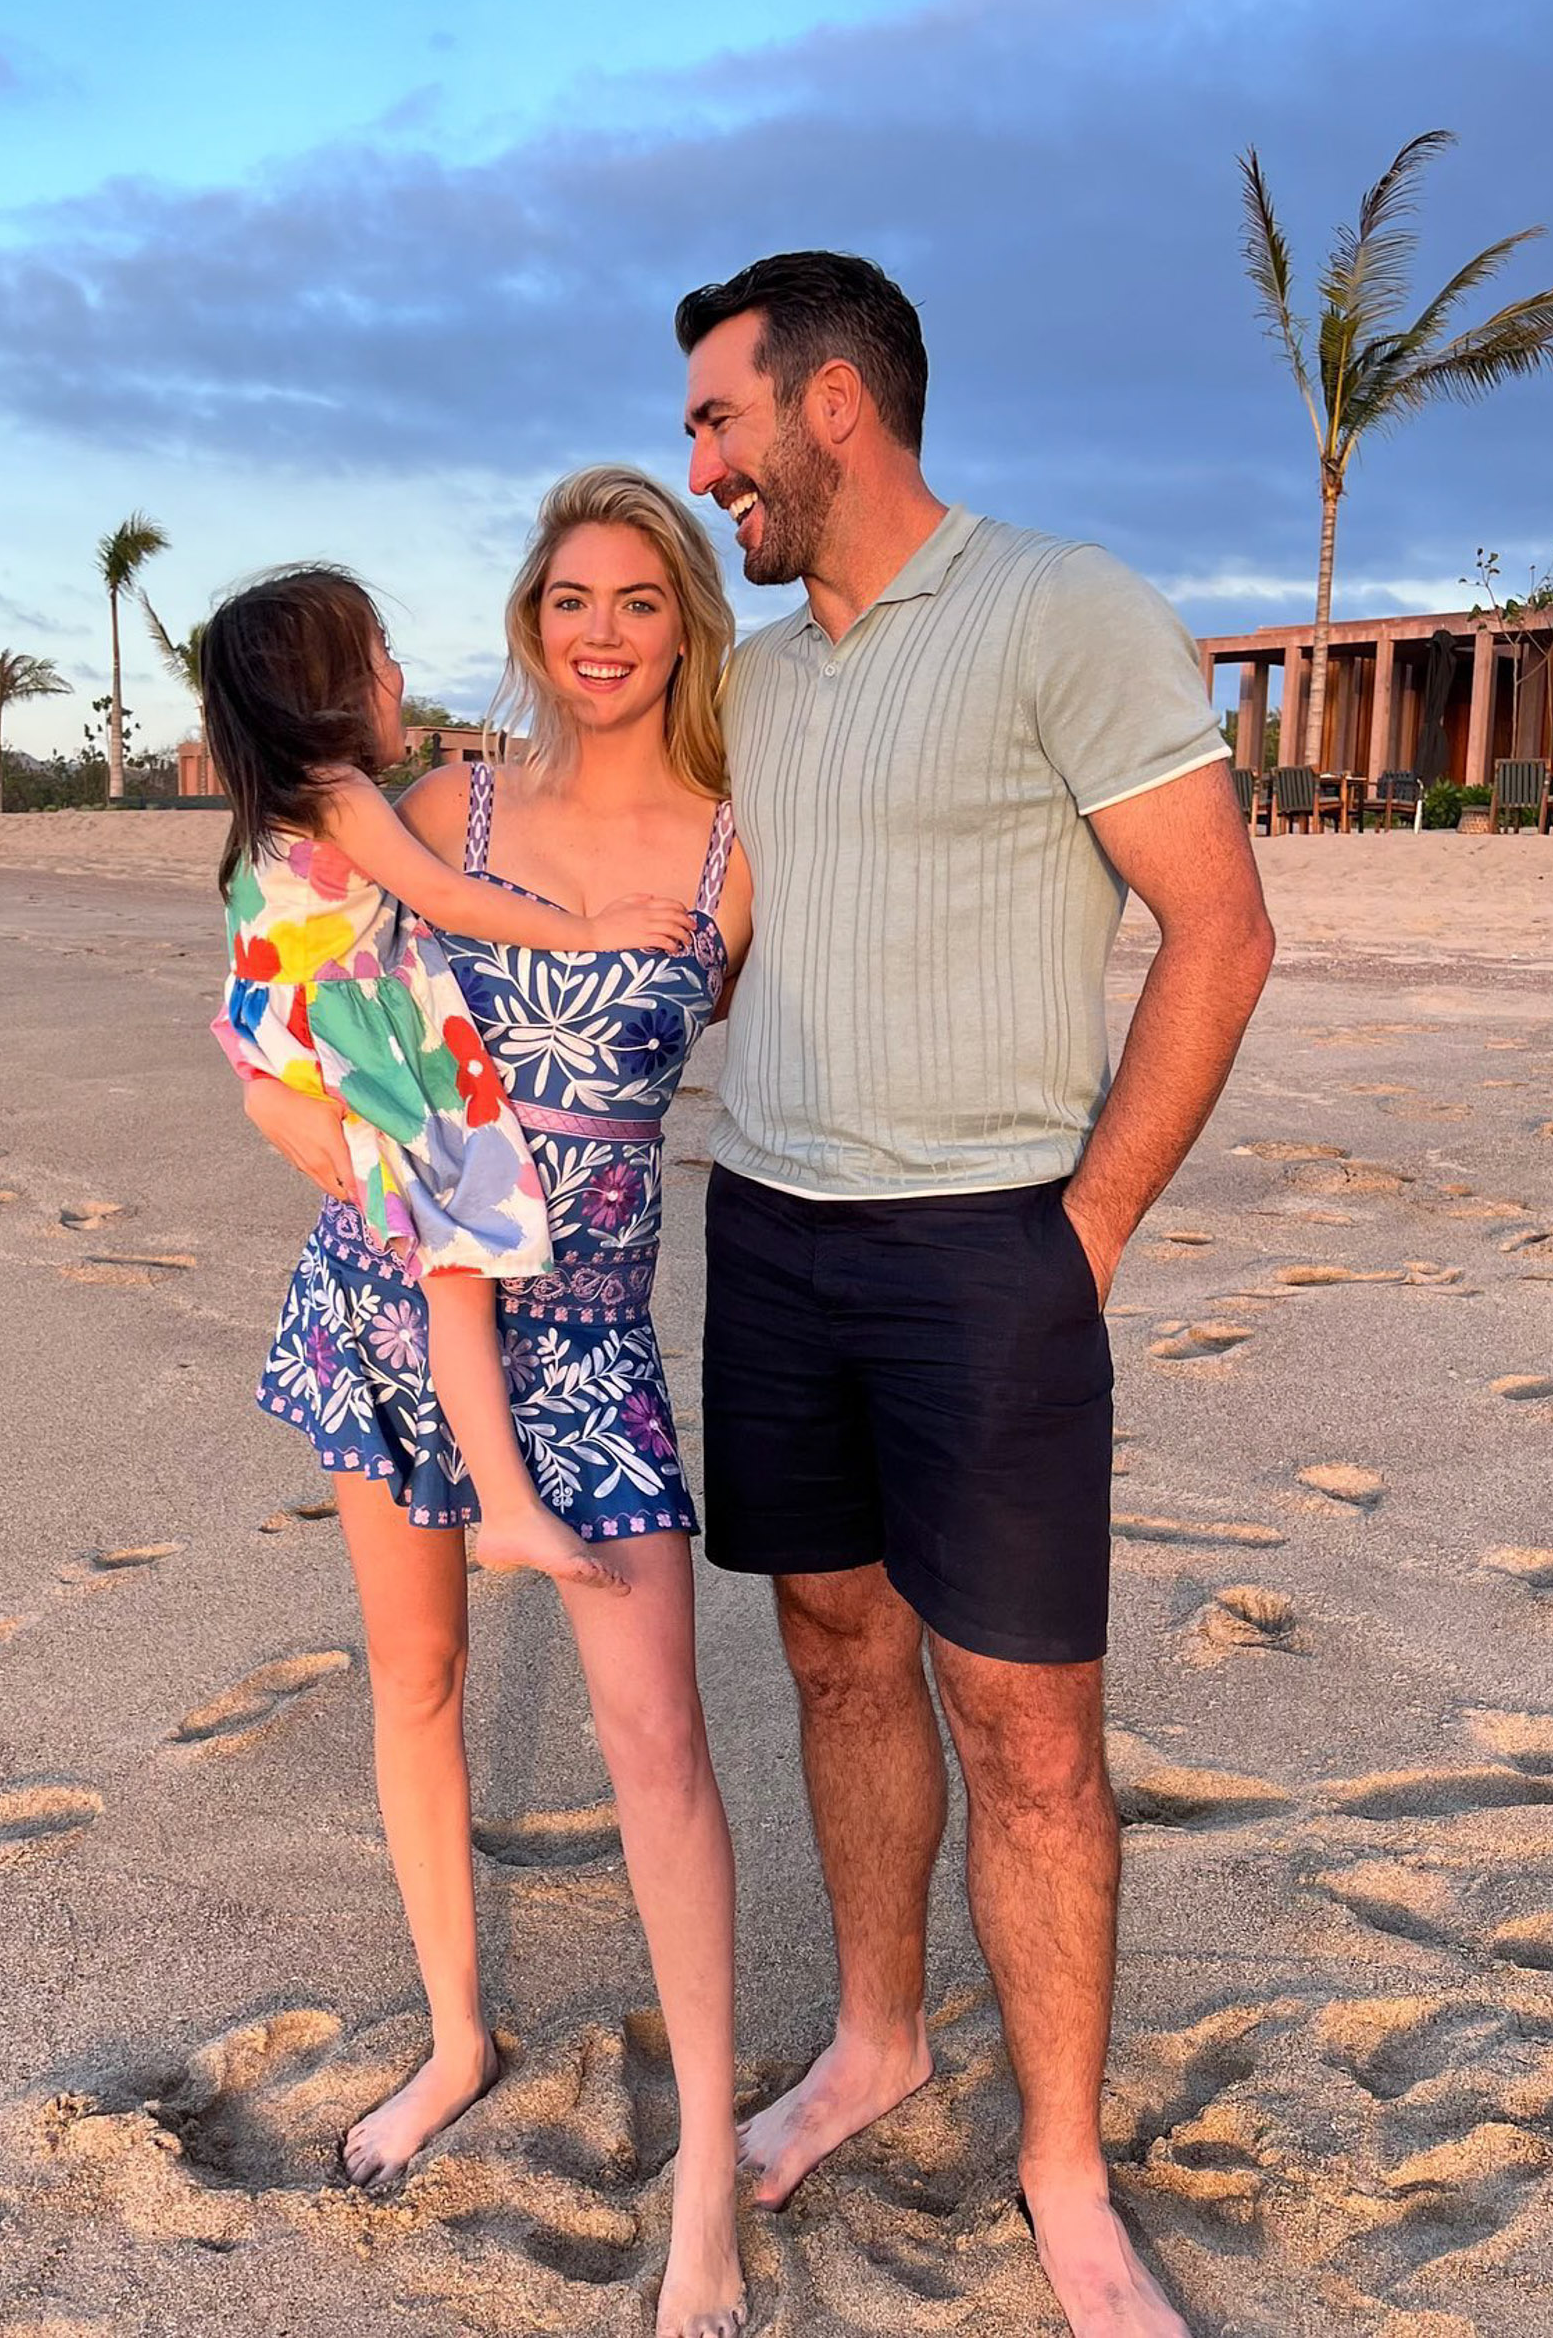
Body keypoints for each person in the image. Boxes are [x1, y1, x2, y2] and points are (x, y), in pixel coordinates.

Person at [677, 251, 1276, 2338]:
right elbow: (693, 920)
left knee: (1027, 1726)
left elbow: (1218, 928)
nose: (703, 469)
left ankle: (1062, 2161)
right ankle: (872, 2031)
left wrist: (1088, 1229)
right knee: (837, 1649)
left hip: (989, 1249)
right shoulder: (751, 678)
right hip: (765, 1230)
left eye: (717, 418)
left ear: (831, 405)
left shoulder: (1062, 607)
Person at [236, 470, 753, 2338]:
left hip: (599, 1346)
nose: (600, 634)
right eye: (568, 600)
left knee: (663, 1750)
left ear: (685, 623)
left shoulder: (731, 854)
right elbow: (274, 1061)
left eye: (639, 602)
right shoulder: (428, 804)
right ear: (529, 617)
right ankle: (455, 2037)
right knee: (419, 1683)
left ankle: (708, 2175)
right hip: (394, 1311)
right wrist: (393, 1189)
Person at [205, 564, 695, 1596]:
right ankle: (509, 1506)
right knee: (460, 1270)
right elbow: (444, 895)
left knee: (446, 1278)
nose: (396, 675)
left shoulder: (269, 816)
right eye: (377, 655)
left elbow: (259, 965)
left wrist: (262, 1079)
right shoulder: (339, 795)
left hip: (291, 1039)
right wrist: (588, 931)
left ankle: (506, 1504)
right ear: (324, 687)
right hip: (368, 1054)